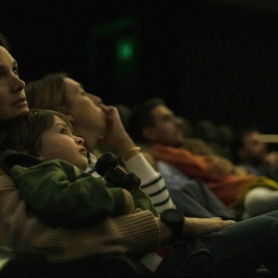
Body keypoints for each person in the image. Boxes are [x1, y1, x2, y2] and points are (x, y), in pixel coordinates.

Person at [2, 34, 278, 278]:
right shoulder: (36, 167)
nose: (20, 83)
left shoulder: (89, 161)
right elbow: (48, 239)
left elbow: (156, 209)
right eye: (84, 93)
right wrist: (173, 225)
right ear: (65, 111)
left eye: (15, 70)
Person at [25, 73, 237, 220]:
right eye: (83, 93)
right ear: (66, 111)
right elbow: (163, 210)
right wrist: (124, 142)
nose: (97, 99)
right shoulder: (74, 170)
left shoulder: (95, 160)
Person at [0, 109, 154, 228]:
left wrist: (132, 194)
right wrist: (119, 197)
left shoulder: (64, 173)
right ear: (30, 149)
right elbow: (59, 200)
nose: (79, 139)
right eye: (63, 131)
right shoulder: (38, 172)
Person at [127, 97, 278, 218]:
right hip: (234, 196)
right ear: (150, 133)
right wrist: (217, 163)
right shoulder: (160, 154)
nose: (179, 122)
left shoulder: (189, 147)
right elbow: (212, 169)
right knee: (257, 200)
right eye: (167, 119)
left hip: (241, 187)